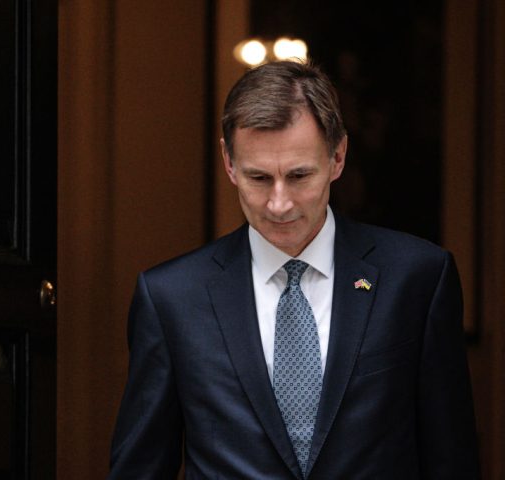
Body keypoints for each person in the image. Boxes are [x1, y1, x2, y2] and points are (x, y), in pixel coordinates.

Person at [108, 60, 480, 479]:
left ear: (338, 157)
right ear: (228, 162)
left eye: (299, 175)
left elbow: (452, 459)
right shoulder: (172, 298)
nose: (279, 203)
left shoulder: (417, 278)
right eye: (259, 178)